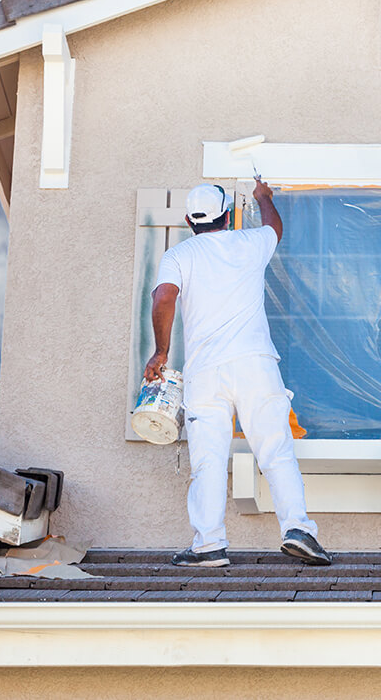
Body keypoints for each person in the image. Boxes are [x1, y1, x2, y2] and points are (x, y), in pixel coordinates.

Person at [144, 179, 331, 568]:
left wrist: (160, 352)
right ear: (227, 216)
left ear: (187, 221)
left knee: (208, 460)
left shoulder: (178, 255)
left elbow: (164, 298)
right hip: (255, 366)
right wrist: (263, 198)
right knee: (276, 450)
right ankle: (298, 530)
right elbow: (274, 228)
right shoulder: (249, 244)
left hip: (205, 373)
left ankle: (208, 545)